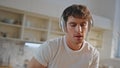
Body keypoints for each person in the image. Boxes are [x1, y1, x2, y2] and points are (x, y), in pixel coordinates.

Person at [28, 4, 99, 68]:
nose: (79, 30)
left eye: (83, 25)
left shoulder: (93, 54)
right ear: (64, 27)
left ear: (89, 26)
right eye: (73, 25)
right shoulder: (50, 48)